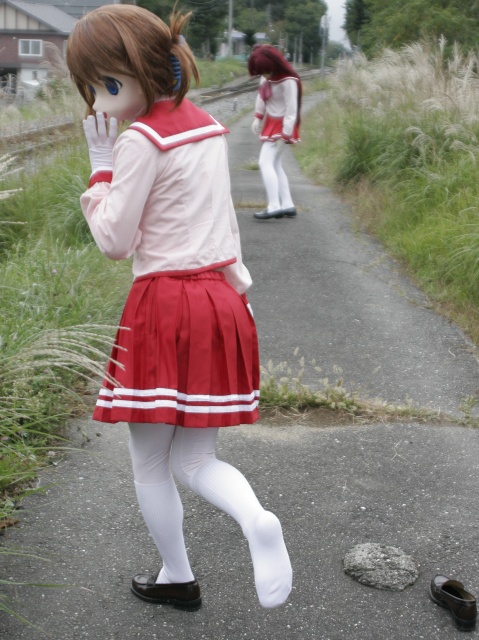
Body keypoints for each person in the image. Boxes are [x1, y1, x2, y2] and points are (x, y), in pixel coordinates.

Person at [66, 4, 292, 611]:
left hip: (164, 305)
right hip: (220, 298)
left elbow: (115, 241)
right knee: (196, 458)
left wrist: (100, 172)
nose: (98, 101)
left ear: (129, 72)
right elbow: (220, 225)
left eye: (102, 85)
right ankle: (256, 518)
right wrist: (239, 290)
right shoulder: (208, 126)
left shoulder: (141, 140)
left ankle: (177, 576)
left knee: (149, 462)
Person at [248, 44, 302, 220]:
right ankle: (287, 204)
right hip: (272, 124)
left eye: (264, 71)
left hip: (281, 126)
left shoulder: (288, 81)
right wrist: (258, 117)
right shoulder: (267, 78)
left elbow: (291, 110)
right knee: (276, 164)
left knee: (265, 163)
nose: (263, 75)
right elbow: (261, 97)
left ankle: (274, 205)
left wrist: (285, 134)